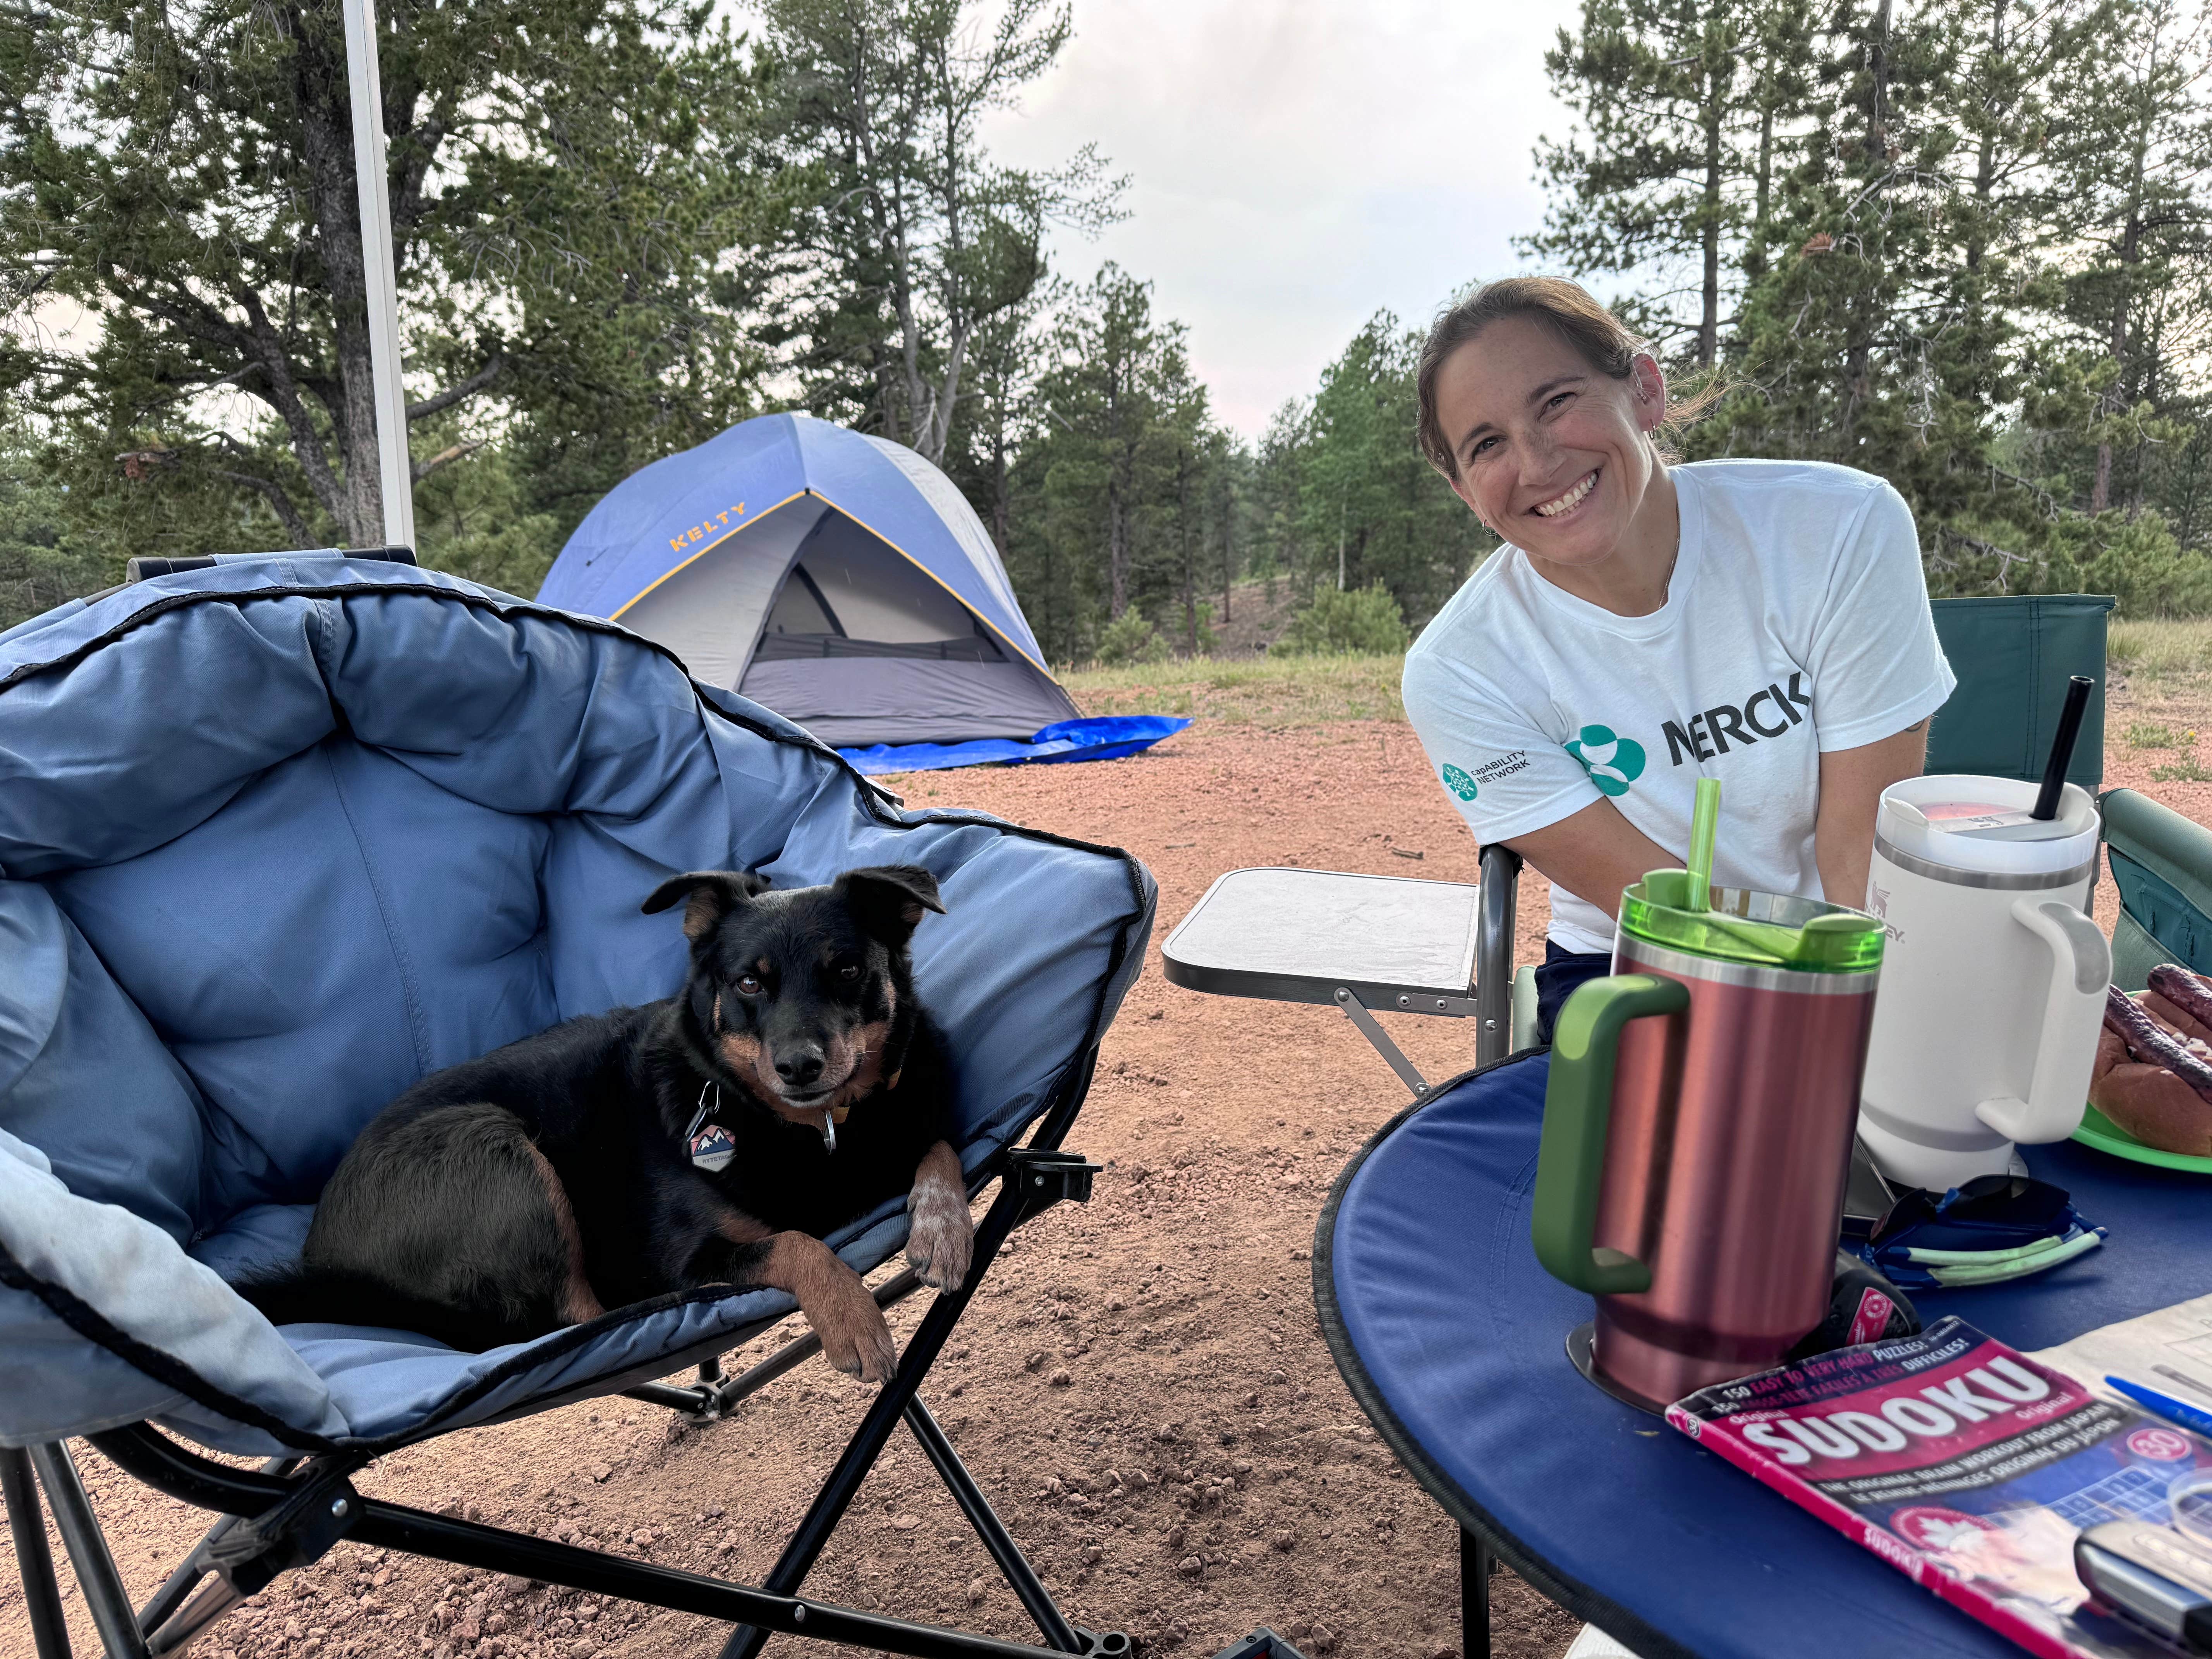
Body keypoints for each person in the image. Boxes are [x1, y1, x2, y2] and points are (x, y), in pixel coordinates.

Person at [1402, 276, 1955, 1044]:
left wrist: (1869, 1018)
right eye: (1487, 444)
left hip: (1849, 940)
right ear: (1465, 491)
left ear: (1645, 391)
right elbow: (1663, 903)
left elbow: (1859, 852)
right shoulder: (1461, 670)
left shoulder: (1837, 530)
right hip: (1637, 957)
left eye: (1556, 402)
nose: (1536, 462)